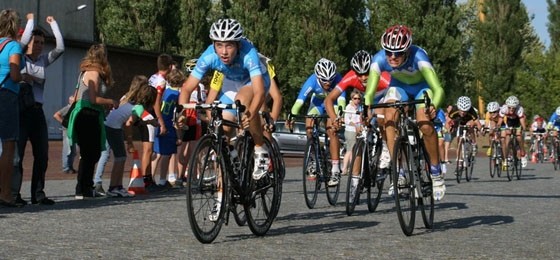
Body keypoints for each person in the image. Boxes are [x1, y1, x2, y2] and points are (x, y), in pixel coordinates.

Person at [177, 18, 271, 221]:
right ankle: (222, 195)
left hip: (254, 82)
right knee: (223, 133)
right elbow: (186, 88)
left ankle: (260, 150)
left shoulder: (249, 54)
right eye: (219, 45)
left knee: (243, 103)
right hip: (231, 83)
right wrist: (183, 114)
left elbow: (259, 92)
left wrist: (252, 114)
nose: (224, 51)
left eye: (229, 45)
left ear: (238, 44)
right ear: (213, 45)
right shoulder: (209, 56)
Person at [363, 25, 446, 200]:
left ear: (407, 50)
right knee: (389, 116)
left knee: (425, 124)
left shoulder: (419, 57)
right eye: (388, 52)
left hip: (421, 88)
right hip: (398, 87)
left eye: (398, 53)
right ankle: (398, 170)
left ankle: (436, 172)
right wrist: (366, 109)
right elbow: (369, 93)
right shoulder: (379, 59)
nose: (392, 57)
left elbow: (438, 89)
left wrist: (434, 106)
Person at [12, 15, 64, 206]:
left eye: (43, 42)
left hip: (37, 111)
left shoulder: (43, 60)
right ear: (28, 42)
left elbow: (60, 48)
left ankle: (38, 194)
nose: (40, 45)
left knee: (42, 154)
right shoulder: (20, 58)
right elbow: (23, 41)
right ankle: (13, 193)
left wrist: (53, 24)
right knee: (17, 156)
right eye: (37, 42)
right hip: (21, 111)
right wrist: (30, 22)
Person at [325, 50, 391, 185]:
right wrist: (334, 118)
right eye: (359, 74)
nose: (363, 78)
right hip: (366, 101)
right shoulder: (350, 77)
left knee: (382, 117)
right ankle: (358, 175)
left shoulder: (382, 76)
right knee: (361, 135)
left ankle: (385, 148)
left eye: (366, 73)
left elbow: (399, 94)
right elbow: (329, 100)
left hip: (383, 97)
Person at [67, 43, 118, 200]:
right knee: (91, 153)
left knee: (89, 153)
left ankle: (82, 188)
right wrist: (110, 101)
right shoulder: (94, 73)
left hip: (86, 114)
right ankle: (85, 188)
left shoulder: (84, 71)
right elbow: (94, 98)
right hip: (88, 114)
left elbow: (73, 97)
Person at [93, 75, 157, 197]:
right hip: (113, 129)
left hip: (109, 126)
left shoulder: (128, 101)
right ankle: (114, 187)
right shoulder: (139, 107)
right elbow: (149, 119)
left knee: (119, 157)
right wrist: (156, 122)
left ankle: (116, 186)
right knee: (120, 158)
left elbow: (132, 122)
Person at [289, 58, 343, 186]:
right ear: (318, 77)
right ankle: (314, 156)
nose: (328, 83)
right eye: (324, 80)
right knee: (309, 125)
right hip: (318, 103)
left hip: (334, 103)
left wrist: (338, 117)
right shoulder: (312, 80)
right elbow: (299, 102)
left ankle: (335, 169)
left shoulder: (339, 80)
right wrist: (292, 116)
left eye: (330, 80)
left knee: (332, 130)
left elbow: (341, 101)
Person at [0, 9, 23, 207]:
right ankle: (5, 193)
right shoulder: (13, 46)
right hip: (6, 96)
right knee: (8, 146)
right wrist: (25, 77)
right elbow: (14, 74)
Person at [142, 54, 174, 189]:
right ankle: (147, 180)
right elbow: (156, 103)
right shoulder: (161, 81)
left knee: (150, 150)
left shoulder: (153, 77)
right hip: (150, 115)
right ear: (170, 67)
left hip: (144, 112)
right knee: (149, 150)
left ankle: (149, 179)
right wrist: (161, 122)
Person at [176, 59, 207, 187]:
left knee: (184, 149)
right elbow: (203, 103)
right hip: (194, 119)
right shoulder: (199, 86)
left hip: (186, 117)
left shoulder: (183, 84)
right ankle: (192, 177)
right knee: (193, 150)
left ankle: (180, 176)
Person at [151, 68, 184, 189]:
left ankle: (151, 178)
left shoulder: (166, 91)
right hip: (168, 123)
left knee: (158, 152)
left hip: (160, 121)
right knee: (167, 154)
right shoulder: (178, 95)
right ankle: (162, 180)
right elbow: (178, 113)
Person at [446, 96, 482, 167]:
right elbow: (447, 122)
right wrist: (448, 129)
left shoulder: (472, 111)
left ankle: (474, 143)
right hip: (459, 122)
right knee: (459, 140)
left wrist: (480, 129)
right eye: (461, 110)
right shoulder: (454, 109)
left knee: (470, 125)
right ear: (458, 108)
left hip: (469, 120)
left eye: (465, 111)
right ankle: (459, 160)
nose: (463, 112)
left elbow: (478, 124)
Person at [496, 95, 527, 168]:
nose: (511, 109)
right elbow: (500, 121)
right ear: (507, 106)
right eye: (510, 107)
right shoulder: (504, 109)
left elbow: (522, 121)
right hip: (509, 122)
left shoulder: (519, 109)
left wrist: (524, 128)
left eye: (513, 108)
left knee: (519, 137)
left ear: (516, 107)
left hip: (517, 122)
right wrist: (498, 127)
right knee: (507, 138)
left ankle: (523, 154)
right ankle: (506, 158)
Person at [53, 95, 78, 174]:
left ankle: (70, 166)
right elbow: (56, 115)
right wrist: (64, 123)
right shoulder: (68, 108)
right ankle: (66, 167)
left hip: (73, 131)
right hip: (67, 131)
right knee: (68, 150)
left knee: (73, 150)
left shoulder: (75, 109)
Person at [342, 90, 363, 176]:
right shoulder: (349, 107)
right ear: (352, 98)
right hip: (350, 131)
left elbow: (360, 119)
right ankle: (344, 168)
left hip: (357, 131)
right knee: (349, 150)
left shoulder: (359, 107)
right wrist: (355, 126)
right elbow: (347, 120)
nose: (357, 100)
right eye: (355, 98)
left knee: (354, 150)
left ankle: (351, 168)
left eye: (358, 99)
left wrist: (361, 126)